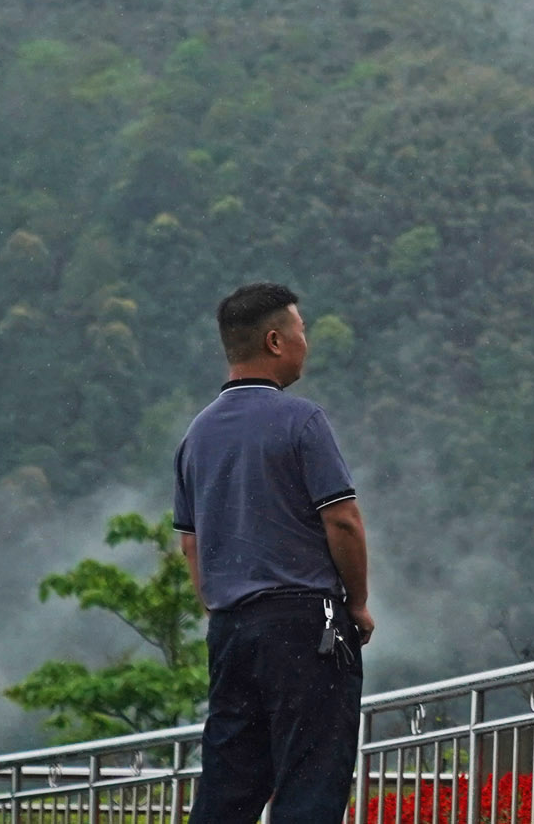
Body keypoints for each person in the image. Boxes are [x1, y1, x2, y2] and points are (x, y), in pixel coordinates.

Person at [174, 282, 371, 824]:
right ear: (275, 341)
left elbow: (191, 544)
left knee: (228, 789)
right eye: (301, 331)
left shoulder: (197, 436)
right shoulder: (302, 421)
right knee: (310, 784)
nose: (306, 342)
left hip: (232, 630)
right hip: (307, 625)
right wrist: (357, 604)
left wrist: (219, 610)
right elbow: (343, 521)